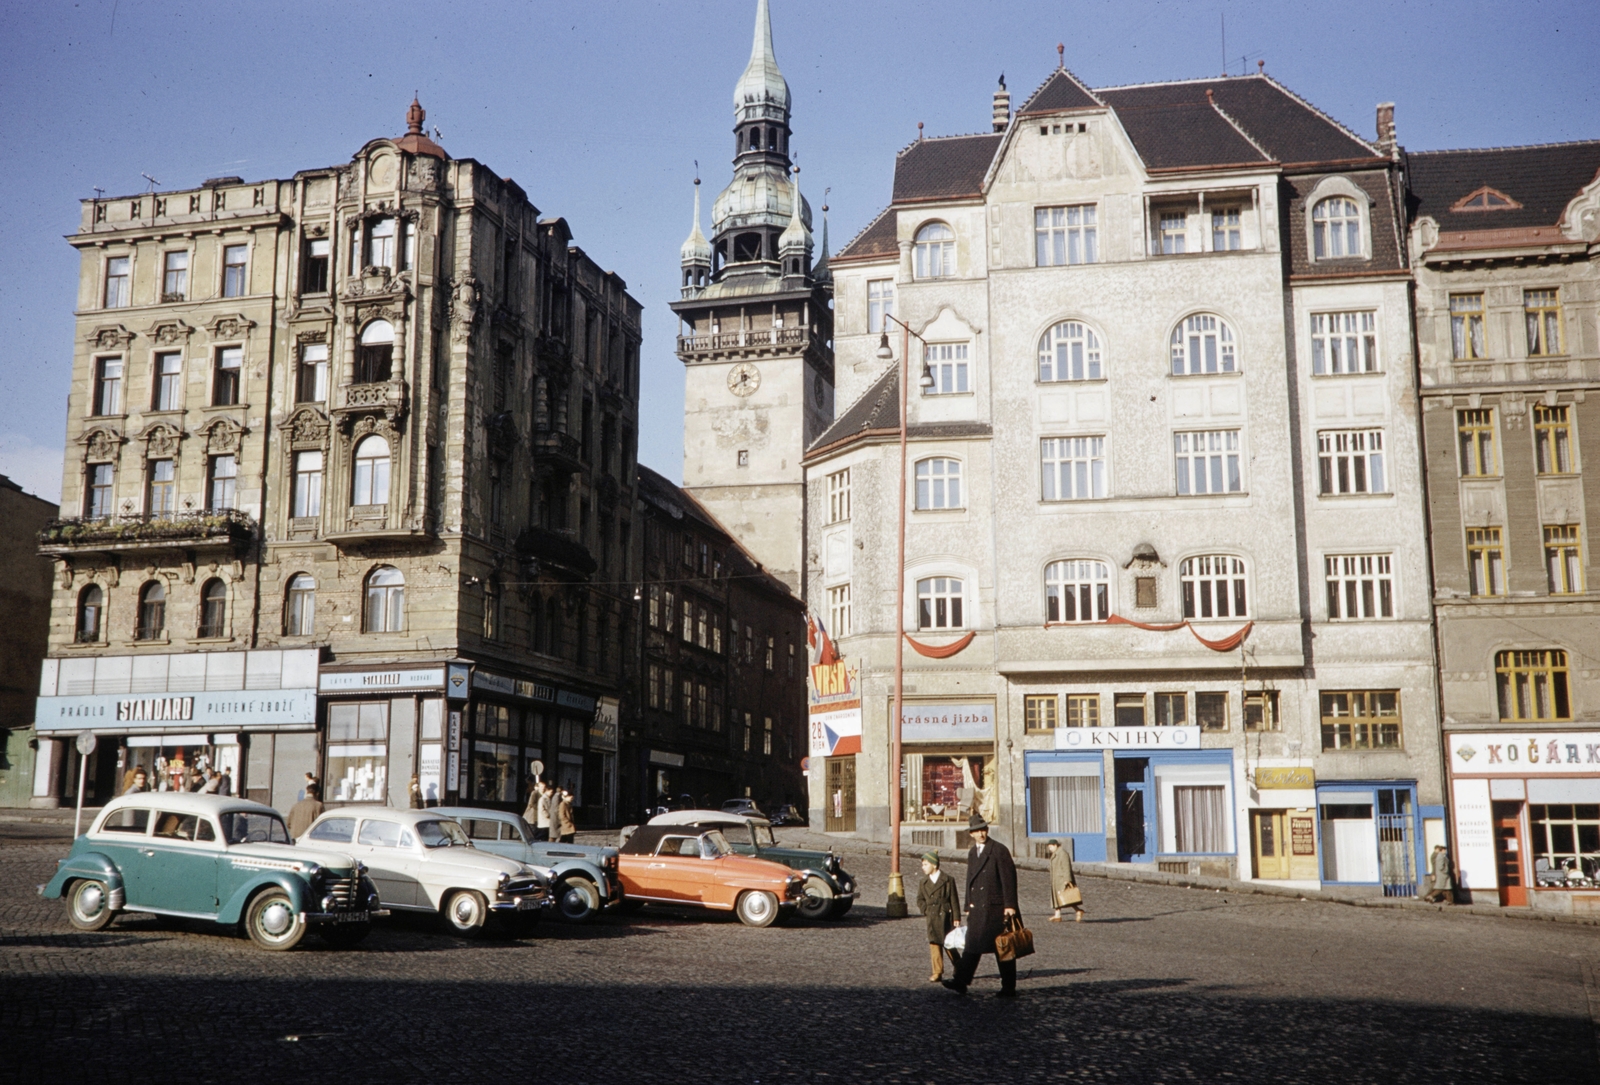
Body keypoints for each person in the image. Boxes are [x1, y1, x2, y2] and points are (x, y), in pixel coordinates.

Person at [944, 813, 1019, 998]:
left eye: (984, 830)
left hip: (996, 908)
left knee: (1003, 948)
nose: (981, 834)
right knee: (972, 946)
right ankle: (961, 981)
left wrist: (1010, 905)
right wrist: (967, 904)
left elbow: (1009, 879)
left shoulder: (999, 850)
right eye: (977, 831)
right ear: (971, 834)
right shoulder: (972, 853)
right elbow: (970, 879)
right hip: (978, 908)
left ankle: (1009, 987)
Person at [916, 851, 960, 983]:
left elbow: (954, 900)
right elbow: (920, 899)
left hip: (945, 915)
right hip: (932, 916)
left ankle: (959, 966)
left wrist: (956, 917)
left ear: (934, 865)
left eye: (925, 864)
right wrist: (925, 910)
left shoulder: (947, 880)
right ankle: (937, 971)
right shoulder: (923, 882)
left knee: (949, 943)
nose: (922, 867)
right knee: (934, 943)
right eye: (922, 864)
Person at [1047, 839, 1084, 922]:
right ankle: (1057, 915)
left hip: (1062, 879)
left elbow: (1066, 867)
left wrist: (1067, 879)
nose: (1050, 849)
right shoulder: (1056, 854)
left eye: (1050, 847)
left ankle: (1078, 910)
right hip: (1056, 879)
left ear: (1055, 845)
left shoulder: (1063, 854)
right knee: (1057, 897)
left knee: (1068, 897)